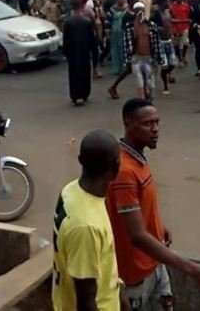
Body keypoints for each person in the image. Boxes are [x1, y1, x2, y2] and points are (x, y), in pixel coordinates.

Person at [106, 99, 200, 310]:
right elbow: (137, 236)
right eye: (148, 124)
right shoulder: (124, 172)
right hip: (136, 277)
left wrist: (157, 227)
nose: (156, 129)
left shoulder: (137, 157)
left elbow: (139, 210)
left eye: (157, 123)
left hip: (155, 263)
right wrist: (191, 268)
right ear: (128, 123)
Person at [52, 130, 125, 311]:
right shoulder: (87, 227)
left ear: (80, 160)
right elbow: (85, 301)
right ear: (117, 166)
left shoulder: (71, 190)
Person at [63, 0, 98, 106]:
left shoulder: (68, 22)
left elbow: (65, 40)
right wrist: (94, 54)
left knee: (73, 74)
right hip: (84, 53)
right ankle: (84, 94)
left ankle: (74, 96)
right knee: (85, 74)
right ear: (81, 8)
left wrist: (66, 53)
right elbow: (92, 40)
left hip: (72, 54)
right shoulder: (86, 22)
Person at [122, 2, 161, 101]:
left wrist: (158, 58)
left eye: (142, 10)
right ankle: (142, 101)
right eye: (138, 10)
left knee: (151, 85)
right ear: (134, 12)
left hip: (148, 58)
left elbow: (156, 42)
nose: (140, 13)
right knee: (139, 81)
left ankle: (148, 96)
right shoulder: (130, 27)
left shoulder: (151, 25)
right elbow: (127, 44)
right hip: (136, 58)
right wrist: (127, 61)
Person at [169, 0, 190, 67]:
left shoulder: (186, 5)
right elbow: (171, 19)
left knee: (185, 43)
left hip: (184, 27)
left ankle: (183, 56)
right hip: (175, 28)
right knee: (177, 45)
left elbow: (188, 16)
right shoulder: (172, 7)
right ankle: (180, 59)